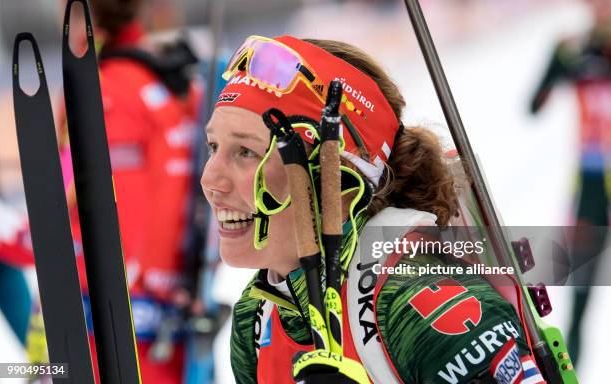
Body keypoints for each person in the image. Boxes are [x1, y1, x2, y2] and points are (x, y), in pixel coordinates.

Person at [202, 35, 546, 383]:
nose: (210, 179)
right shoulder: (257, 315)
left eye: (247, 152)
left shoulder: (418, 296)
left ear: (339, 176)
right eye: (213, 146)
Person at [57, 0, 202, 381]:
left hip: (119, 321)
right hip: (168, 307)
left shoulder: (108, 84)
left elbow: (120, 209)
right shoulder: (173, 78)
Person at [530, 0, 611, 366]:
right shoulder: (574, 48)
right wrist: (561, 62)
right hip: (592, 185)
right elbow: (534, 104)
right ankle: (572, 369)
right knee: (581, 289)